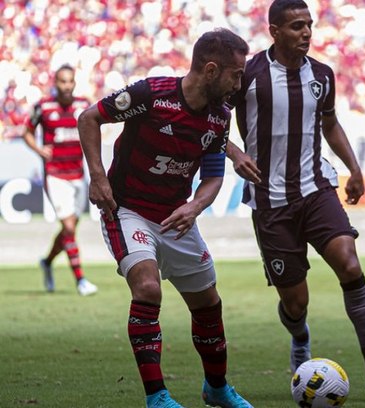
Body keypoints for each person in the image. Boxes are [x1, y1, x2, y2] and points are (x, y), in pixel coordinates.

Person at [226, 0, 365, 400]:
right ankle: (300, 335)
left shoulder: (321, 75)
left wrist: (354, 168)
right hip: (270, 202)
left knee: (349, 262)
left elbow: (329, 123)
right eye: (296, 26)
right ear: (274, 31)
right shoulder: (249, 74)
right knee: (295, 301)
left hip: (315, 188)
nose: (306, 33)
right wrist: (236, 154)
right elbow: (213, 117)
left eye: (309, 25)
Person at [77, 28, 253, 408]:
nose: (239, 83)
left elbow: (212, 176)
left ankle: (217, 389)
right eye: (235, 74)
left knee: (208, 303)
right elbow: (89, 118)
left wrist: (195, 207)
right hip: (127, 210)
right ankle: (157, 396)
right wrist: (98, 176)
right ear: (210, 70)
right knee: (147, 288)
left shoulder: (220, 117)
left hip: (176, 217)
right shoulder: (150, 95)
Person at [22, 64, 98, 296]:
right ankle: (81, 280)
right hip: (55, 175)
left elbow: (97, 125)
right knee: (67, 227)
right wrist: (38, 149)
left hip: (77, 175)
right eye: (62, 81)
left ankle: (47, 261)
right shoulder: (43, 107)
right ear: (55, 83)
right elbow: (26, 131)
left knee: (69, 231)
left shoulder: (83, 105)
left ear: (74, 83)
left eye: (70, 81)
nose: (66, 86)